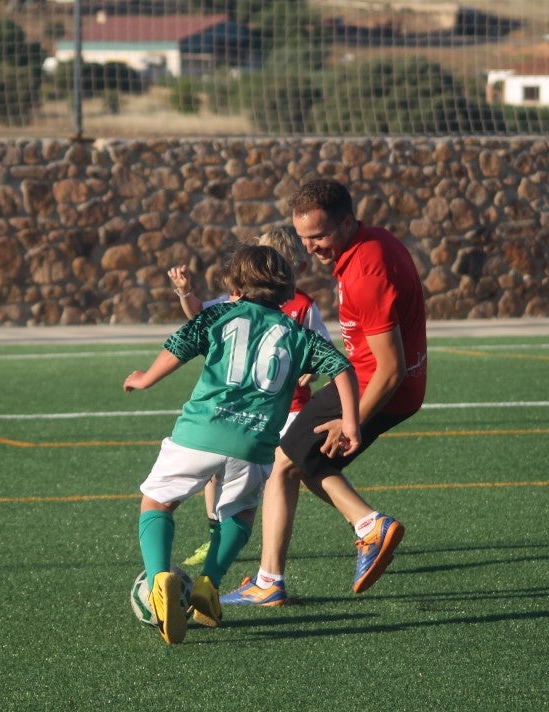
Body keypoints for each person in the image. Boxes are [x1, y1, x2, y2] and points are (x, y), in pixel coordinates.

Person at [124, 244, 360, 644]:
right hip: (253, 445)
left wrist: (145, 378)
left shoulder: (219, 314)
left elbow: (181, 344)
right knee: (241, 512)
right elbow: (341, 367)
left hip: (198, 433)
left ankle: (159, 577)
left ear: (234, 283)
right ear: (286, 289)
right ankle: (208, 585)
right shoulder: (298, 334)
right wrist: (350, 422)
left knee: (158, 502)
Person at [221, 177, 428, 606]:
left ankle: (365, 525)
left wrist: (352, 422)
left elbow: (389, 370)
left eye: (320, 235)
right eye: (304, 238)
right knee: (291, 460)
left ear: (348, 222)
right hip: (374, 381)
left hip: (380, 387)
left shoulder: (366, 269)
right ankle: (272, 579)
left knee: (289, 457)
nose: (311, 247)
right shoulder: (368, 244)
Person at [167, 226, 331, 567]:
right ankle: (216, 535)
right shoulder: (236, 301)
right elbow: (200, 316)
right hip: (239, 409)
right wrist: (186, 293)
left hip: (289, 410)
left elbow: (324, 351)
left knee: (298, 470)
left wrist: (311, 371)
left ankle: (359, 518)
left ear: (295, 270)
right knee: (220, 471)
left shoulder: (303, 307)